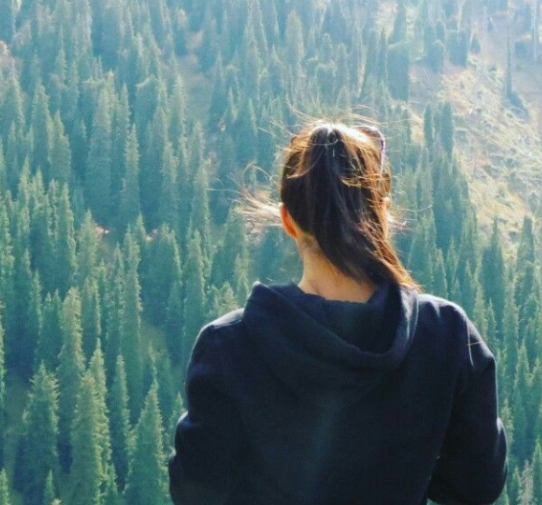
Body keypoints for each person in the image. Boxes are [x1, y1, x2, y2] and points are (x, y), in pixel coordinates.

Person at [169, 121, 507, 505]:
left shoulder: (228, 346)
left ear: (287, 220)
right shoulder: (446, 335)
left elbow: (194, 492)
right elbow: (476, 486)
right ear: (382, 214)